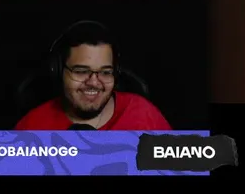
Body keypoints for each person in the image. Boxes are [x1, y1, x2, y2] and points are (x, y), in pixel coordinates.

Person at [15, 20, 173, 129]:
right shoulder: (31, 127)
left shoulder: (144, 115)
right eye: (81, 71)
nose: (94, 82)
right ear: (57, 71)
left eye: (105, 72)